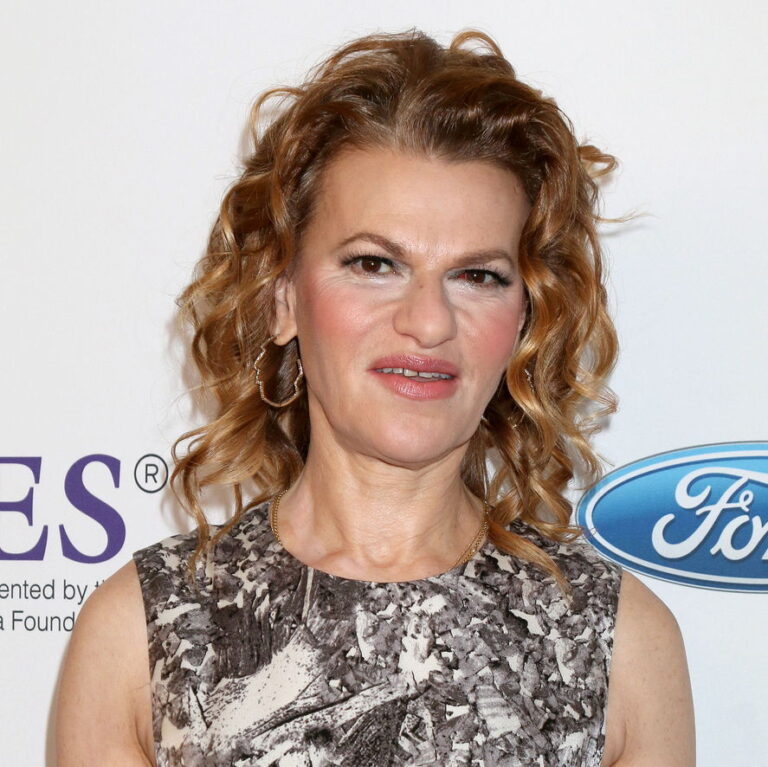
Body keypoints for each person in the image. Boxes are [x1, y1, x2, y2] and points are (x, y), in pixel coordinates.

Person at [54, 28, 695, 766]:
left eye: (478, 275)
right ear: (282, 299)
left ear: (525, 317)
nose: (427, 321)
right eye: (373, 263)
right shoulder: (142, 631)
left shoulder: (618, 640)